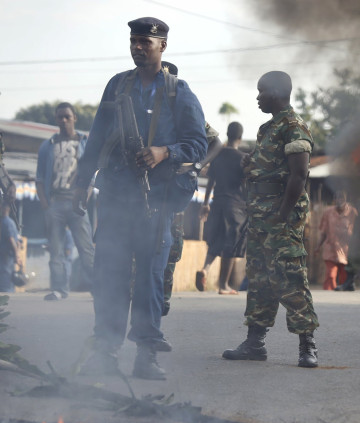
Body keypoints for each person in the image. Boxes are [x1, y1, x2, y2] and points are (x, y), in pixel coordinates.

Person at [72, 17, 207, 380]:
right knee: (109, 272)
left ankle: (145, 355)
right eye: (134, 41)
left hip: (155, 199)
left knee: (149, 277)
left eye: (145, 42)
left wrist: (165, 151)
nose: (137, 47)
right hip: (116, 195)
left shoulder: (179, 91)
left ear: (162, 46)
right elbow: (97, 138)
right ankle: (105, 351)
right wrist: (80, 184)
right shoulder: (118, 86)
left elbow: (199, 143)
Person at [222, 71, 319, 368]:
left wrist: (282, 215)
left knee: (289, 275)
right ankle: (255, 342)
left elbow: (299, 174)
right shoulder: (267, 130)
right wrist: (251, 164)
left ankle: (307, 344)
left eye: (261, 91)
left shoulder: (293, 126)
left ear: (277, 92)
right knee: (261, 276)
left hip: (281, 214)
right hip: (262, 213)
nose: (257, 97)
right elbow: (267, 167)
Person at [159, 61, 222, 316]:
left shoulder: (186, 110)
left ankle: (161, 305)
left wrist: (196, 166)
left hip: (175, 191)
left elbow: (216, 143)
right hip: (144, 192)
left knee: (170, 250)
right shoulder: (144, 108)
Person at [36, 102, 95, 301]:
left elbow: (90, 176)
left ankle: (98, 289)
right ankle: (60, 289)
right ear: (56, 119)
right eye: (60, 117)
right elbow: (39, 179)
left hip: (77, 204)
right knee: (56, 250)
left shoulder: (84, 143)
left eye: (67, 117)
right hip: (56, 203)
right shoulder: (48, 146)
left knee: (86, 249)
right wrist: (46, 205)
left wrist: (84, 200)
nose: (63, 120)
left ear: (74, 118)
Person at [196, 121, 248, 295]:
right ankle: (223, 285)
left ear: (227, 133)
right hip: (235, 206)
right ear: (240, 138)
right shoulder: (242, 158)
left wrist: (205, 204)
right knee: (231, 245)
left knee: (216, 240)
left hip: (216, 203)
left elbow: (211, 180)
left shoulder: (217, 156)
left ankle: (205, 269)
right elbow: (245, 183)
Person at [318, 190, 358, 290]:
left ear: (345, 199)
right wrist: (317, 247)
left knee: (344, 276)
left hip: (346, 249)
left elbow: (358, 230)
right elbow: (323, 231)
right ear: (334, 200)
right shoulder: (328, 212)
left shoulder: (352, 212)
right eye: (337, 198)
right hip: (330, 247)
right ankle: (328, 298)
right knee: (330, 275)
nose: (339, 200)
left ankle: (343, 301)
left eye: (342, 198)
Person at [0, 199, 21, 292]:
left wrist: (17, 254)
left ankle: (6, 292)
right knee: (6, 273)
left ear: (6, 209)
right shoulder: (7, 222)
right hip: (6, 253)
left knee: (6, 274)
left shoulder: (7, 222)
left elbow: (12, 240)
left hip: (7, 253)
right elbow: (17, 241)